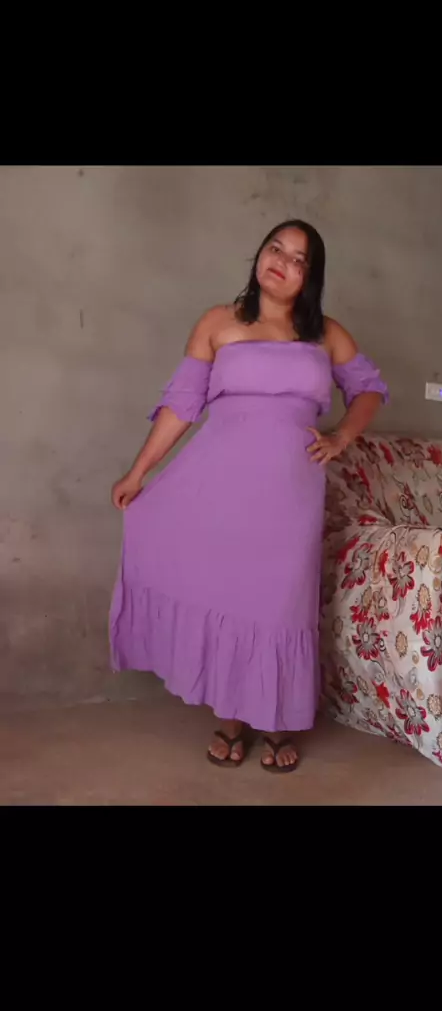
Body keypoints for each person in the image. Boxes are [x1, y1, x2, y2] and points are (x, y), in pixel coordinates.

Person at [110, 220, 388, 772]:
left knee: (280, 602)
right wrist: (138, 472)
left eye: (298, 258)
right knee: (230, 595)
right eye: (275, 248)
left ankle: (277, 719)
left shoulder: (326, 334)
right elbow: (183, 404)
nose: (281, 261)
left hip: (289, 490)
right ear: (260, 254)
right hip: (220, 483)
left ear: (311, 276)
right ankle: (234, 718)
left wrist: (341, 436)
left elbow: (369, 390)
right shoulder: (218, 322)